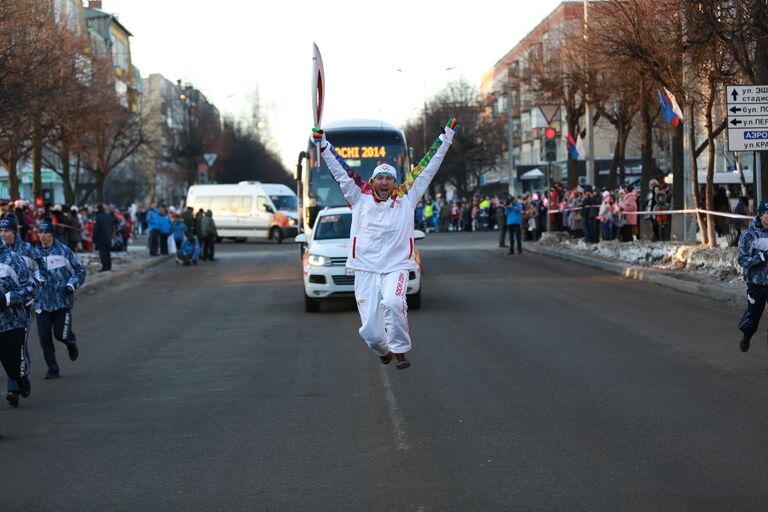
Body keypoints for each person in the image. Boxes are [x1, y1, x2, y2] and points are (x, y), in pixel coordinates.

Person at [310, 117, 458, 369]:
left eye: (389, 179)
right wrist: (323, 145)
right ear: (373, 181)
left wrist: (445, 139)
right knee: (370, 331)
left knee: (393, 302)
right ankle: (383, 350)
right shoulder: (358, 196)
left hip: (396, 266)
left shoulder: (407, 197)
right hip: (365, 268)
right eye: (380, 178)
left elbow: (428, 167)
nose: (384, 183)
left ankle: (400, 350)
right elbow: (340, 170)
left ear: (394, 183)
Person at [34, 221, 86, 379]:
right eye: (40, 233)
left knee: (60, 334)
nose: (42, 236)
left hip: (61, 301)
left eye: (46, 233)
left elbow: (80, 270)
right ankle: (52, 368)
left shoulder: (63, 251)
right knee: (44, 337)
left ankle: (70, 342)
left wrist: (71, 285)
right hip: (42, 303)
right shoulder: (34, 253)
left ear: (52, 234)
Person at [0, 215, 41, 408]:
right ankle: (13, 387)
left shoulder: (17, 255)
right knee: (9, 364)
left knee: (16, 362)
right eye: (1, 231)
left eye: (7, 230)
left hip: (16, 317)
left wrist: (8, 299)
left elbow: (32, 281)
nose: (3, 234)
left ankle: (19, 380)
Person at [93, 204, 113, 272]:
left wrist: (94, 238)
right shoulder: (108, 216)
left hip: (101, 238)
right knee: (108, 252)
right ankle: (109, 266)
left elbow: (96, 229)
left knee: (103, 253)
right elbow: (112, 226)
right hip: (108, 237)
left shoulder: (98, 217)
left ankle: (105, 267)